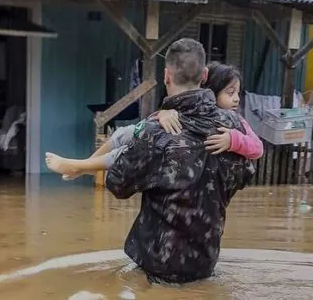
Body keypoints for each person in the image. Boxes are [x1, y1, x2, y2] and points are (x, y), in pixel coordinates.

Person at [105, 38, 255, 284]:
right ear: (204, 75)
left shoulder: (156, 132)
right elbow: (246, 174)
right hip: (206, 262)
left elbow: (117, 184)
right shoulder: (234, 126)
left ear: (166, 76)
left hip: (158, 266)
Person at [45, 61, 263, 179]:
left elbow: (257, 148)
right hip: (182, 163)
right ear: (209, 89)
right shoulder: (186, 109)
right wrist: (163, 114)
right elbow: (155, 124)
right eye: (230, 93)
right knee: (127, 133)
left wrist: (233, 140)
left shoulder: (234, 122)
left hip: (190, 169)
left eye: (237, 93)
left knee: (129, 150)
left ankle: (80, 167)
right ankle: (84, 166)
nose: (236, 99)